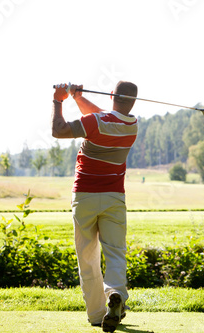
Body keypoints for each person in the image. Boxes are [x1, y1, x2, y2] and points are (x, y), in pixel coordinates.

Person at [51, 81, 138, 332]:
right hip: (113, 198)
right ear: (133, 101)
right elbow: (104, 117)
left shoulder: (95, 123)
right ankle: (116, 295)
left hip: (85, 196)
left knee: (88, 257)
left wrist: (59, 100)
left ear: (112, 94)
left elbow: (59, 130)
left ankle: (96, 314)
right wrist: (78, 98)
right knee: (115, 252)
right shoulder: (132, 125)